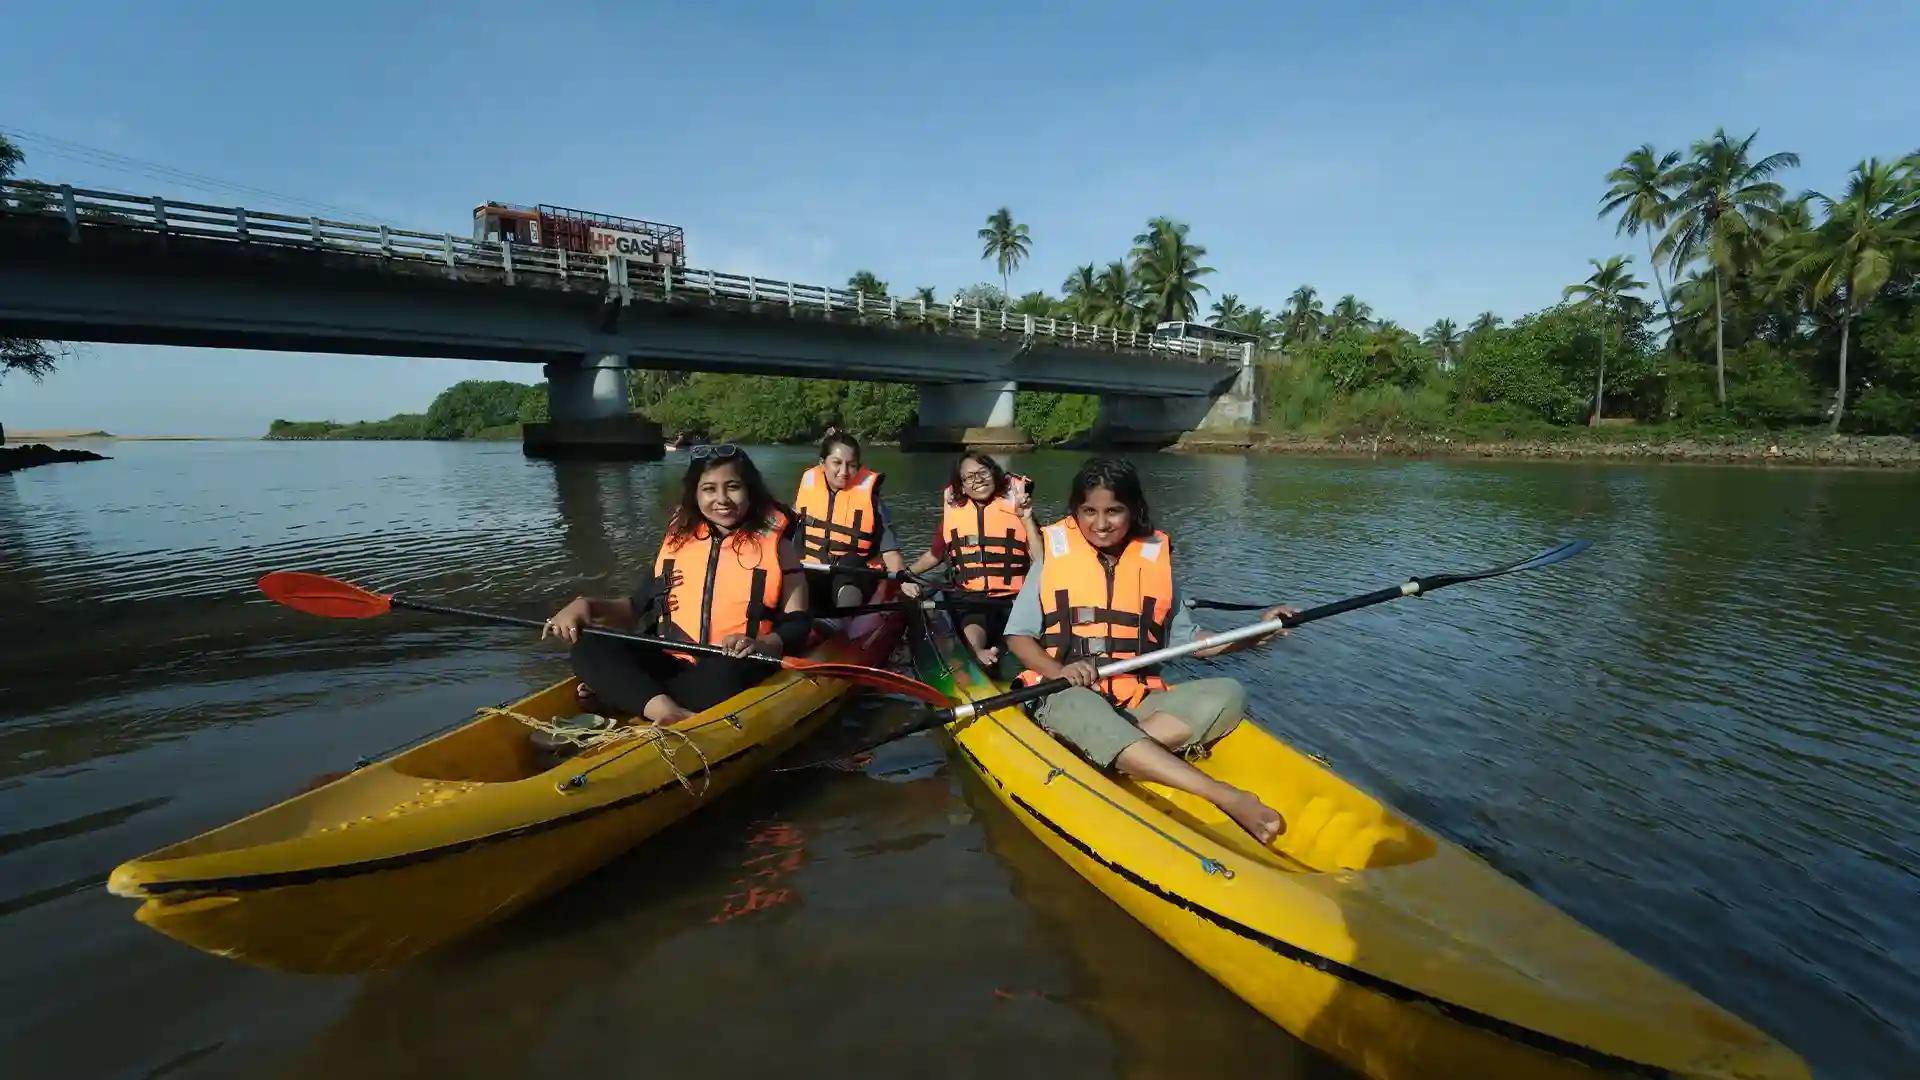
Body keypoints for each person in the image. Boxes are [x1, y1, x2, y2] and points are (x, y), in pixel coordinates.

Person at [1003, 457, 1297, 844]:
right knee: (1079, 703)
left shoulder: (1154, 560)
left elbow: (1195, 643)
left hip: (1136, 704)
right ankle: (1221, 794)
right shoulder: (1052, 557)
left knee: (1228, 693)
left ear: (1133, 510)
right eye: (1089, 511)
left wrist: (1258, 632)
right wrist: (1057, 672)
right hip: (1065, 693)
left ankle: (1116, 751)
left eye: (1114, 511)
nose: (1101, 523)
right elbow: (1018, 636)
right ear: (1075, 512)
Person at [543, 445, 810, 725]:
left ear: (750, 490)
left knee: (727, 674)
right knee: (589, 644)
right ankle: (664, 710)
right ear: (695, 493)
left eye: (733, 487)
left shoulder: (778, 546)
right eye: (709, 489)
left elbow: (798, 624)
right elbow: (633, 608)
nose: (722, 499)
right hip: (672, 663)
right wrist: (585, 605)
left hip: (732, 667)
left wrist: (761, 645)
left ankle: (627, 694)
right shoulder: (678, 541)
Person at [904, 451, 1036, 667]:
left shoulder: (1018, 507)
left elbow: (1040, 558)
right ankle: (977, 652)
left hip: (1015, 598)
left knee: (1019, 630)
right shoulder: (954, 514)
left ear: (994, 474)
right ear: (961, 486)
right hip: (972, 598)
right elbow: (935, 555)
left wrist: (1028, 520)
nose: (978, 480)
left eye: (983, 472)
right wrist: (905, 575)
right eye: (969, 477)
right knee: (973, 622)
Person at [791, 431, 906, 612]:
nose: (844, 472)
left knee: (850, 563)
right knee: (795, 572)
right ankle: (793, 621)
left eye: (851, 465)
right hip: (814, 573)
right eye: (837, 463)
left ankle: (840, 621)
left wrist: (903, 581)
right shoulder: (808, 490)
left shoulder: (873, 501)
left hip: (858, 578)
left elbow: (891, 553)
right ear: (823, 463)